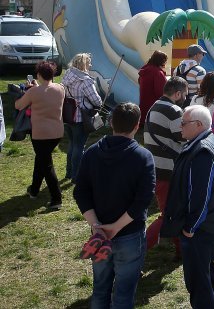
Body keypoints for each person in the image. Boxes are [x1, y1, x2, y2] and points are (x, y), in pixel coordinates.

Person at [73, 103, 155, 309]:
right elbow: (143, 200)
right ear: (137, 126)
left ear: (111, 123)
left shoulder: (91, 153)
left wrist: (96, 226)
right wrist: (116, 228)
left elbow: (80, 191)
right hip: (129, 235)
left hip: (99, 235)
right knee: (124, 293)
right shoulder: (143, 157)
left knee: (100, 288)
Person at [163, 105, 214, 308]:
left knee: (198, 281)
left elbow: (200, 194)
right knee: (206, 272)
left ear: (199, 125)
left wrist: (190, 227)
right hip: (205, 225)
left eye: (184, 123)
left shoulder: (202, 151)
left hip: (199, 228)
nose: (180, 127)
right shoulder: (204, 143)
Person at [144, 77, 189, 255]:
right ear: (177, 94)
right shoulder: (173, 110)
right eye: (184, 94)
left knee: (174, 212)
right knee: (169, 214)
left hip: (158, 167)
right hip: (169, 170)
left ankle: (181, 249)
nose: (186, 97)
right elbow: (183, 136)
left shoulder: (154, 106)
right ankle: (139, 249)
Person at [17, 61, 65, 209]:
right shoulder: (61, 88)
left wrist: (26, 90)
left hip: (40, 134)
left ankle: (56, 199)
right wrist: (36, 88)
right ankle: (34, 190)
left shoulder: (33, 92)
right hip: (57, 133)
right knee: (41, 160)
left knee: (46, 164)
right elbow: (46, 92)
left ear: (38, 74)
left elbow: (18, 105)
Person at [62, 53, 104, 182]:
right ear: (84, 64)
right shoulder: (85, 80)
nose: (90, 65)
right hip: (81, 117)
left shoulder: (67, 75)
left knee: (72, 144)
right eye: (89, 63)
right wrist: (99, 102)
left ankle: (69, 172)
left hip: (67, 115)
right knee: (79, 146)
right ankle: (76, 175)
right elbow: (96, 101)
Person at [191, 72, 214, 148]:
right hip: (210, 137)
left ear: (203, 84)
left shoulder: (195, 98)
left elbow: (190, 115)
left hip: (194, 134)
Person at [138, 50, 168, 128]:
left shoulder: (145, 69)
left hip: (144, 100)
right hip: (153, 103)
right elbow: (160, 91)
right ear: (161, 61)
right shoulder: (157, 72)